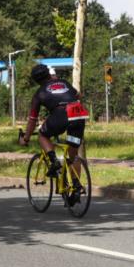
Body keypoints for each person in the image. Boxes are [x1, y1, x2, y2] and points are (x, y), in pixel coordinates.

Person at [19, 64, 89, 199]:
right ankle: (76, 187)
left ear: (36, 80)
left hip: (61, 115)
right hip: (78, 115)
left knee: (43, 135)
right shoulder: (64, 82)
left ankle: (53, 161)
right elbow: (79, 95)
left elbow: (32, 119)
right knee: (73, 154)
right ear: (49, 74)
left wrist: (26, 138)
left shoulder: (39, 93)